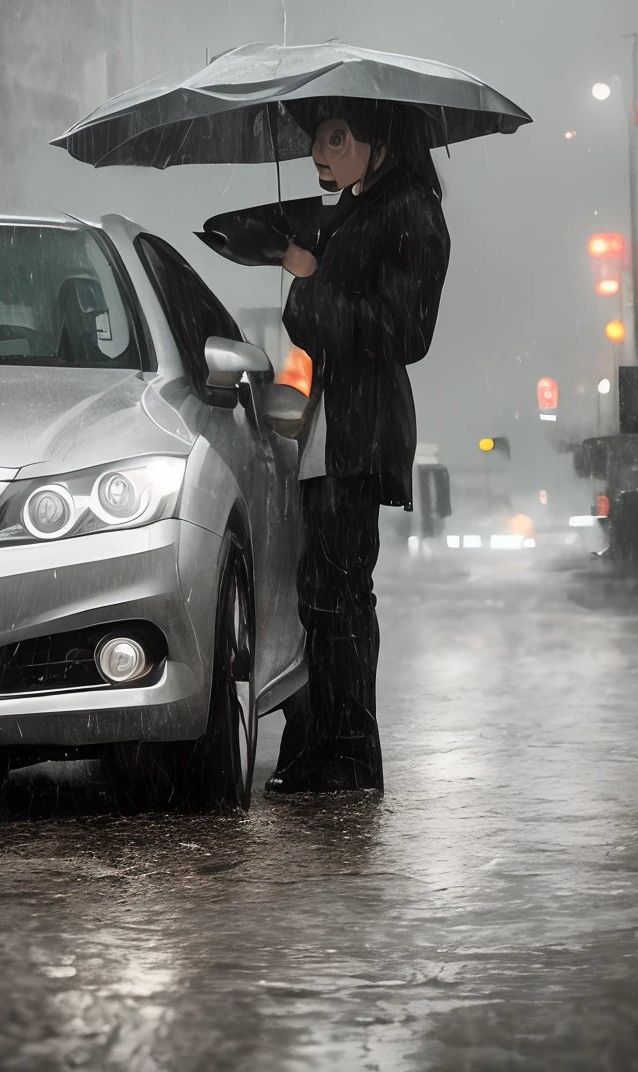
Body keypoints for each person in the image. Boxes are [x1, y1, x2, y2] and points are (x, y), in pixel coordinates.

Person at [268, 96, 450, 795]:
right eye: (316, 139)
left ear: (378, 143)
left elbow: (406, 333)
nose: (320, 152)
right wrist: (304, 267)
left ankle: (345, 754)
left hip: (361, 425)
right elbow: (315, 326)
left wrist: (312, 279)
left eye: (336, 138)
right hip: (332, 420)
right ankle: (321, 744)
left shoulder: (409, 211)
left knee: (340, 593)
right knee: (322, 592)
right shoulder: (355, 210)